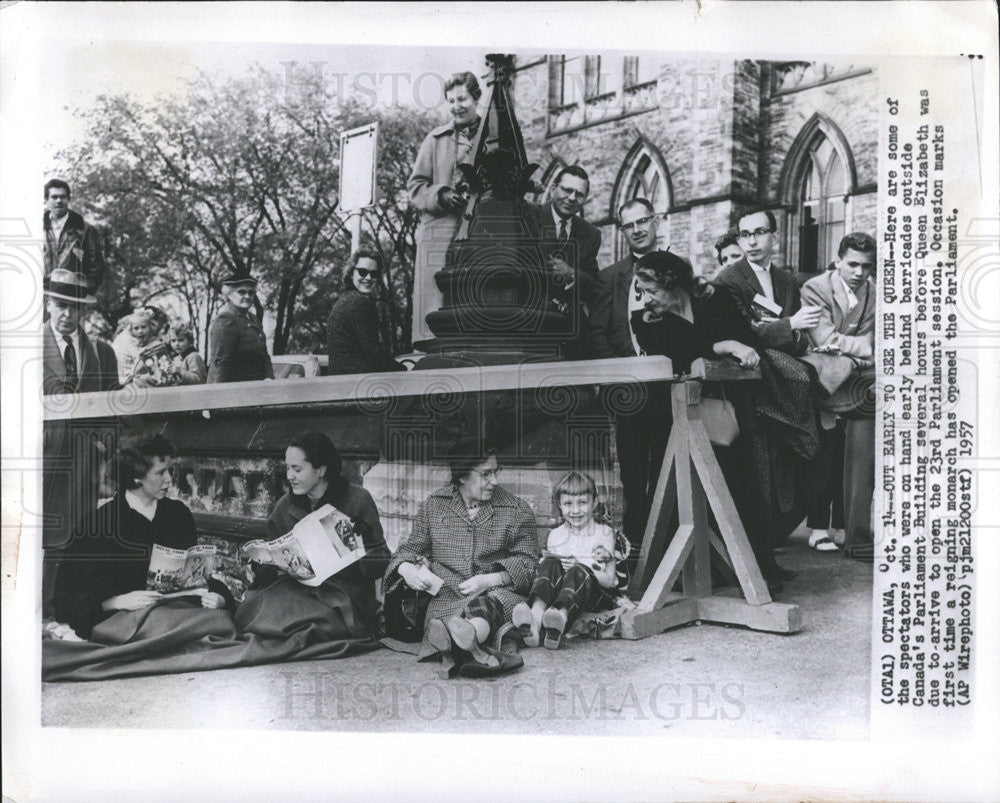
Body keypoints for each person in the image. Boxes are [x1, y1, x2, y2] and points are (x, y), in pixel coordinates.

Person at [383, 438, 538, 678]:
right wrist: (407, 570)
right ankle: (465, 644)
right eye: (486, 474)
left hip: (496, 593)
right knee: (446, 618)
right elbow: (407, 550)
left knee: (488, 604)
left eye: (496, 472)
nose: (494, 481)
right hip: (447, 598)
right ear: (463, 475)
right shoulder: (434, 506)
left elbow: (529, 564)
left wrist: (490, 579)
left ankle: (455, 644)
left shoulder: (516, 510)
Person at [51, 434, 226, 640]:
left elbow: (193, 577)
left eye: (170, 470)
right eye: (160, 472)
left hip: (175, 612)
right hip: (122, 618)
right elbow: (68, 597)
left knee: (220, 622)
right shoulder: (99, 523)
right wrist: (118, 601)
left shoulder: (177, 514)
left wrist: (218, 598)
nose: (169, 479)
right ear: (136, 476)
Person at [587, 199, 674, 561]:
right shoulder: (610, 277)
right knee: (634, 473)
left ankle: (670, 547)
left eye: (643, 221)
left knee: (669, 469)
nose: (637, 229)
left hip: (669, 387)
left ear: (656, 222)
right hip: (629, 390)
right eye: (629, 225)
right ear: (622, 231)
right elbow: (597, 333)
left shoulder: (676, 270)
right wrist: (616, 376)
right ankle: (638, 551)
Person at [243, 431, 390, 638]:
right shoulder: (285, 505)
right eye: (287, 467)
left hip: (344, 595)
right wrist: (262, 566)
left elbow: (381, 565)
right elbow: (273, 559)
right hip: (299, 591)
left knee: (302, 624)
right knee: (255, 607)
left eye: (297, 469)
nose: (289, 476)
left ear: (320, 469)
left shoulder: (357, 499)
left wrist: (365, 543)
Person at [801, 232, 877, 560]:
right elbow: (822, 338)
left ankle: (851, 530)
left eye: (867, 266)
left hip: (859, 382)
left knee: (859, 447)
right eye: (853, 265)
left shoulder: (875, 293)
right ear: (838, 261)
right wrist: (863, 348)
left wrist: (853, 348)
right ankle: (818, 526)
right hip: (822, 381)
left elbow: (873, 340)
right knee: (825, 452)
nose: (860, 273)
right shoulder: (815, 288)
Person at [408, 71, 482, 343]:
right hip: (439, 233)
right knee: (435, 306)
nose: (456, 106)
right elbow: (415, 187)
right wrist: (441, 195)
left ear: (476, 98)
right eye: (451, 101)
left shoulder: (492, 136)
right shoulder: (436, 139)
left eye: (462, 98)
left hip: (477, 232)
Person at [512, 471, 616, 650]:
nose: (575, 511)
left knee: (578, 570)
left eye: (582, 503)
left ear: (594, 503)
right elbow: (551, 579)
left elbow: (610, 581)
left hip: (593, 597)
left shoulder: (604, 533)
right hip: (562, 596)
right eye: (568, 503)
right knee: (550, 563)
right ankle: (536, 621)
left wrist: (582, 567)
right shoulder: (555, 535)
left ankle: (560, 618)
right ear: (559, 505)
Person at [713, 207, 820, 356]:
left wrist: (777, 329)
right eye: (745, 235)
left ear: (774, 238)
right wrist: (790, 324)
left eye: (760, 232)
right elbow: (743, 335)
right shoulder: (727, 280)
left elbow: (802, 339)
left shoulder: (788, 281)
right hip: (752, 369)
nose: (752, 242)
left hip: (789, 360)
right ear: (739, 240)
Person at [529, 165, 603, 356]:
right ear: (553, 189)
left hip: (569, 332)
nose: (572, 198)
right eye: (567, 190)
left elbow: (593, 283)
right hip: (530, 327)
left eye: (579, 194)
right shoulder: (530, 217)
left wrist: (571, 273)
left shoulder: (590, 234)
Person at [327, 249, 405, 374]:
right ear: (351, 273)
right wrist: (404, 370)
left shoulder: (344, 299)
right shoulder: (359, 303)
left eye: (374, 274)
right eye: (363, 272)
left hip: (341, 384)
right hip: (357, 385)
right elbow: (374, 354)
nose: (368, 278)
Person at [42, 269, 118, 396]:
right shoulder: (29, 349)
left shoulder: (103, 352)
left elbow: (113, 404)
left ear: (83, 310)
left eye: (75, 307)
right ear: (48, 305)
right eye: (61, 305)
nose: (67, 314)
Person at [207, 272, 274, 383]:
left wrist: (268, 378)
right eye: (241, 292)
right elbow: (222, 363)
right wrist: (217, 395)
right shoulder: (226, 319)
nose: (247, 296)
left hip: (256, 388)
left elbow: (264, 355)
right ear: (229, 295)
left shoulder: (253, 319)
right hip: (234, 390)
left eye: (251, 293)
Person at [42, 179, 106, 294]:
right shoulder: (37, 229)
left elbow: (96, 268)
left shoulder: (86, 230)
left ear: (68, 199)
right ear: (46, 199)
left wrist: (83, 293)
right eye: (54, 197)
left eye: (63, 197)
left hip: (73, 300)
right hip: (42, 296)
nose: (59, 201)